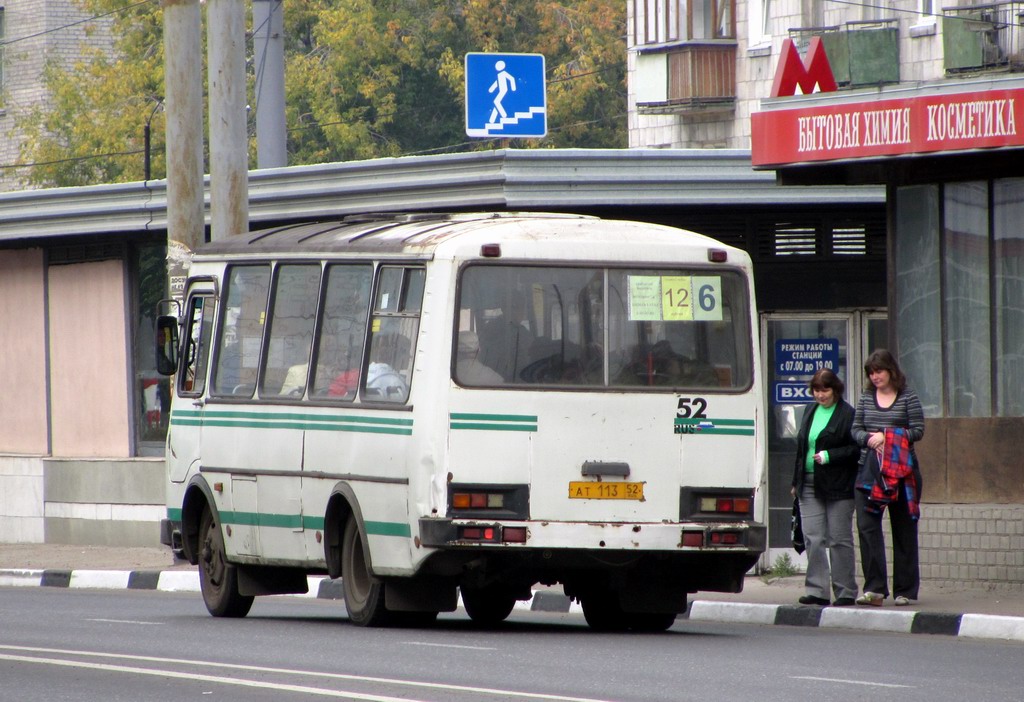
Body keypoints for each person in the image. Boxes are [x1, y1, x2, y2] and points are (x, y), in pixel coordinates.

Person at [851, 349, 925, 607]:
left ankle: (904, 590)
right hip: (869, 472)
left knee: (904, 529)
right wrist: (869, 440)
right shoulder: (866, 398)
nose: (874, 377)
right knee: (867, 528)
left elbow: (918, 430)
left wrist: (887, 435)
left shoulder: (908, 397)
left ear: (891, 371)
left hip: (903, 474)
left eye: (879, 371)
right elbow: (856, 429)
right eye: (871, 373)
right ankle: (875, 589)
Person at [790, 368, 860, 607]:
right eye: (816, 390)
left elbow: (855, 449)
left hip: (838, 485)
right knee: (813, 537)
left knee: (839, 538)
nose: (820, 395)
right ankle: (817, 590)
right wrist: (794, 482)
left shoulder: (847, 414)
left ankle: (845, 591)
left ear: (835, 389)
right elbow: (802, 449)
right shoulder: (810, 410)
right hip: (808, 483)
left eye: (825, 390)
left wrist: (830, 456)